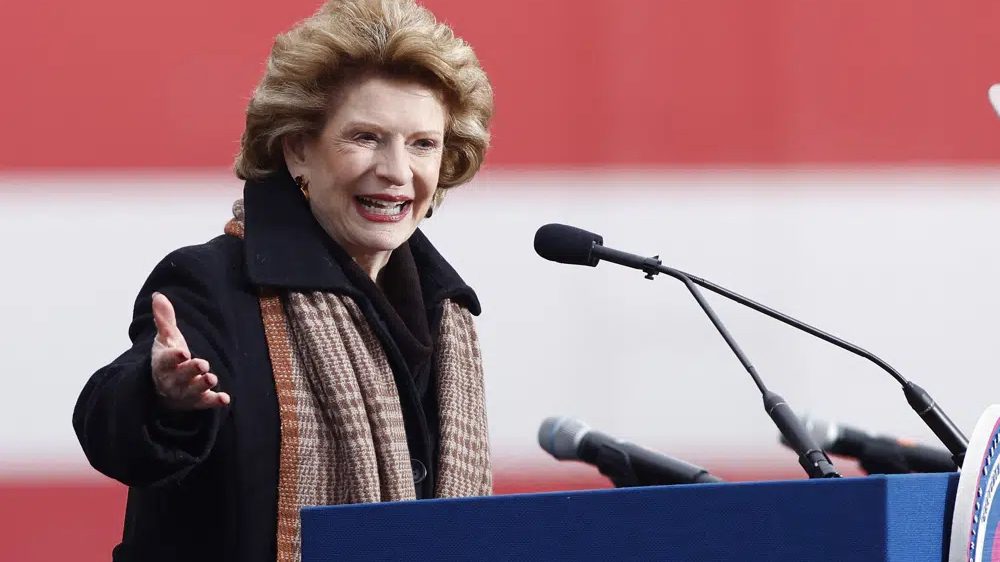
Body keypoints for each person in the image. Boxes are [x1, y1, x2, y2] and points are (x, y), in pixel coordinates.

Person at [72, 1, 495, 560]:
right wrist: (162, 397)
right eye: (366, 137)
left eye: (423, 143)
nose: (396, 171)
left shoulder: (447, 314)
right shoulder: (213, 283)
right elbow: (112, 430)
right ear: (298, 148)